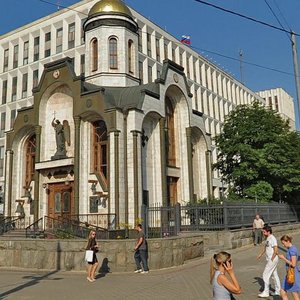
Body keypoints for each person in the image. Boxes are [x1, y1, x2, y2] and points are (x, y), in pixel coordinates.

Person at [257, 225, 281, 298]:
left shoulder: (272, 238)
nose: (263, 233)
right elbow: (266, 247)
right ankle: (278, 291)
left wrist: (272, 259)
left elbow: (276, 249)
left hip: (272, 259)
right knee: (274, 275)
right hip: (271, 259)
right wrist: (261, 254)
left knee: (265, 274)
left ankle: (266, 292)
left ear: (268, 232)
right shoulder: (268, 238)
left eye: (264, 232)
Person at [278, 235, 300, 300]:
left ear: (288, 241)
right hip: (289, 274)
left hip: (292, 274)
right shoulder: (291, 249)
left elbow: (293, 264)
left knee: (294, 293)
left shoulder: (292, 249)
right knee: (283, 292)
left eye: (283, 243)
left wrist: (283, 258)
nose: (283, 245)